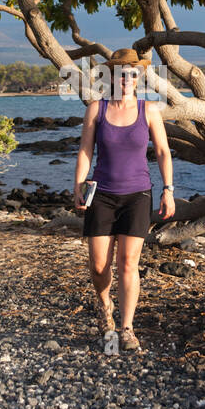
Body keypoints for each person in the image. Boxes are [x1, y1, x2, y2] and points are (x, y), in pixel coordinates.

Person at [74, 48, 174, 352]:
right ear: (112, 76)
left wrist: (168, 190)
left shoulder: (149, 110)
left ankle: (127, 328)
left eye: (133, 73)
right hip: (101, 194)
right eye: (121, 72)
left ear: (138, 76)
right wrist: (78, 184)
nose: (127, 78)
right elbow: (85, 151)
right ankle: (105, 308)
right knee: (99, 265)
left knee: (128, 263)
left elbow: (162, 152)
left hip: (138, 195)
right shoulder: (96, 109)